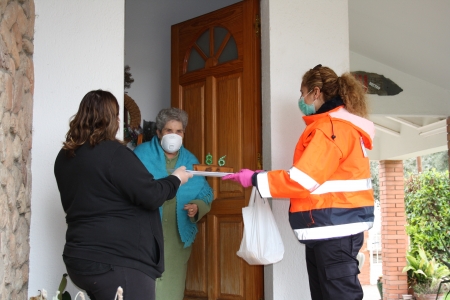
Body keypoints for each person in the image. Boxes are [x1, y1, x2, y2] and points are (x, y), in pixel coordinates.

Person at [223, 65, 375, 300]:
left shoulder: (330, 130)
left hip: (333, 233)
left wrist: (254, 178)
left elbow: (301, 181)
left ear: (316, 92)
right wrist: (262, 177)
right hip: (329, 229)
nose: (301, 99)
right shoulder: (335, 127)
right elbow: (313, 176)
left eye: (302, 92)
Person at [54, 90, 193, 300]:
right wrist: (176, 179)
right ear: (111, 119)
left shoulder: (64, 157)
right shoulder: (113, 154)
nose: (119, 121)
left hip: (79, 258)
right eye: (117, 116)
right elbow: (151, 194)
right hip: (117, 262)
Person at [134, 108, 214, 300]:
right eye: (169, 130)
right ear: (159, 132)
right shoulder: (140, 155)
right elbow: (131, 189)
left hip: (176, 236)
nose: (174, 135)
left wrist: (196, 207)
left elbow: (205, 193)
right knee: (145, 287)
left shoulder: (190, 160)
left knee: (171, 288)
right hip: (146, 234)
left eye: (179, 131)